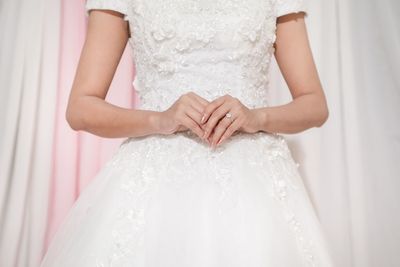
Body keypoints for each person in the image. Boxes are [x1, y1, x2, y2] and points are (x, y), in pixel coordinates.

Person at [40, 0, 334, 266]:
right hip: (154, 180)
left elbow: (314, 104)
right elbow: (80, 108)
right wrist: (160, 120)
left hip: (256, 179)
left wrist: (256, 116)